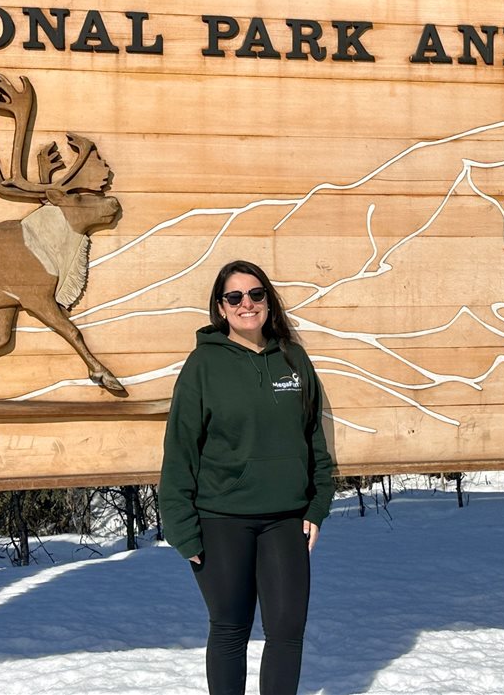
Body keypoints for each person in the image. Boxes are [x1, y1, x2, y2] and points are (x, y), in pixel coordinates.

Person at [160, 259, 334, 695]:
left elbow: (315, 437)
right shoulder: (203, 366)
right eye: (234, 297)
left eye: (256, 294)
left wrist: (317, 505)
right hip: (222, 521)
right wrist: (183, 530)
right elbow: (180, 451)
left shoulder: (293, 359)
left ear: (268, 301)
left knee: (286, 631)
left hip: (286, 520)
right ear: (221, 308)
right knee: (230, 630)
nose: (247, 304)